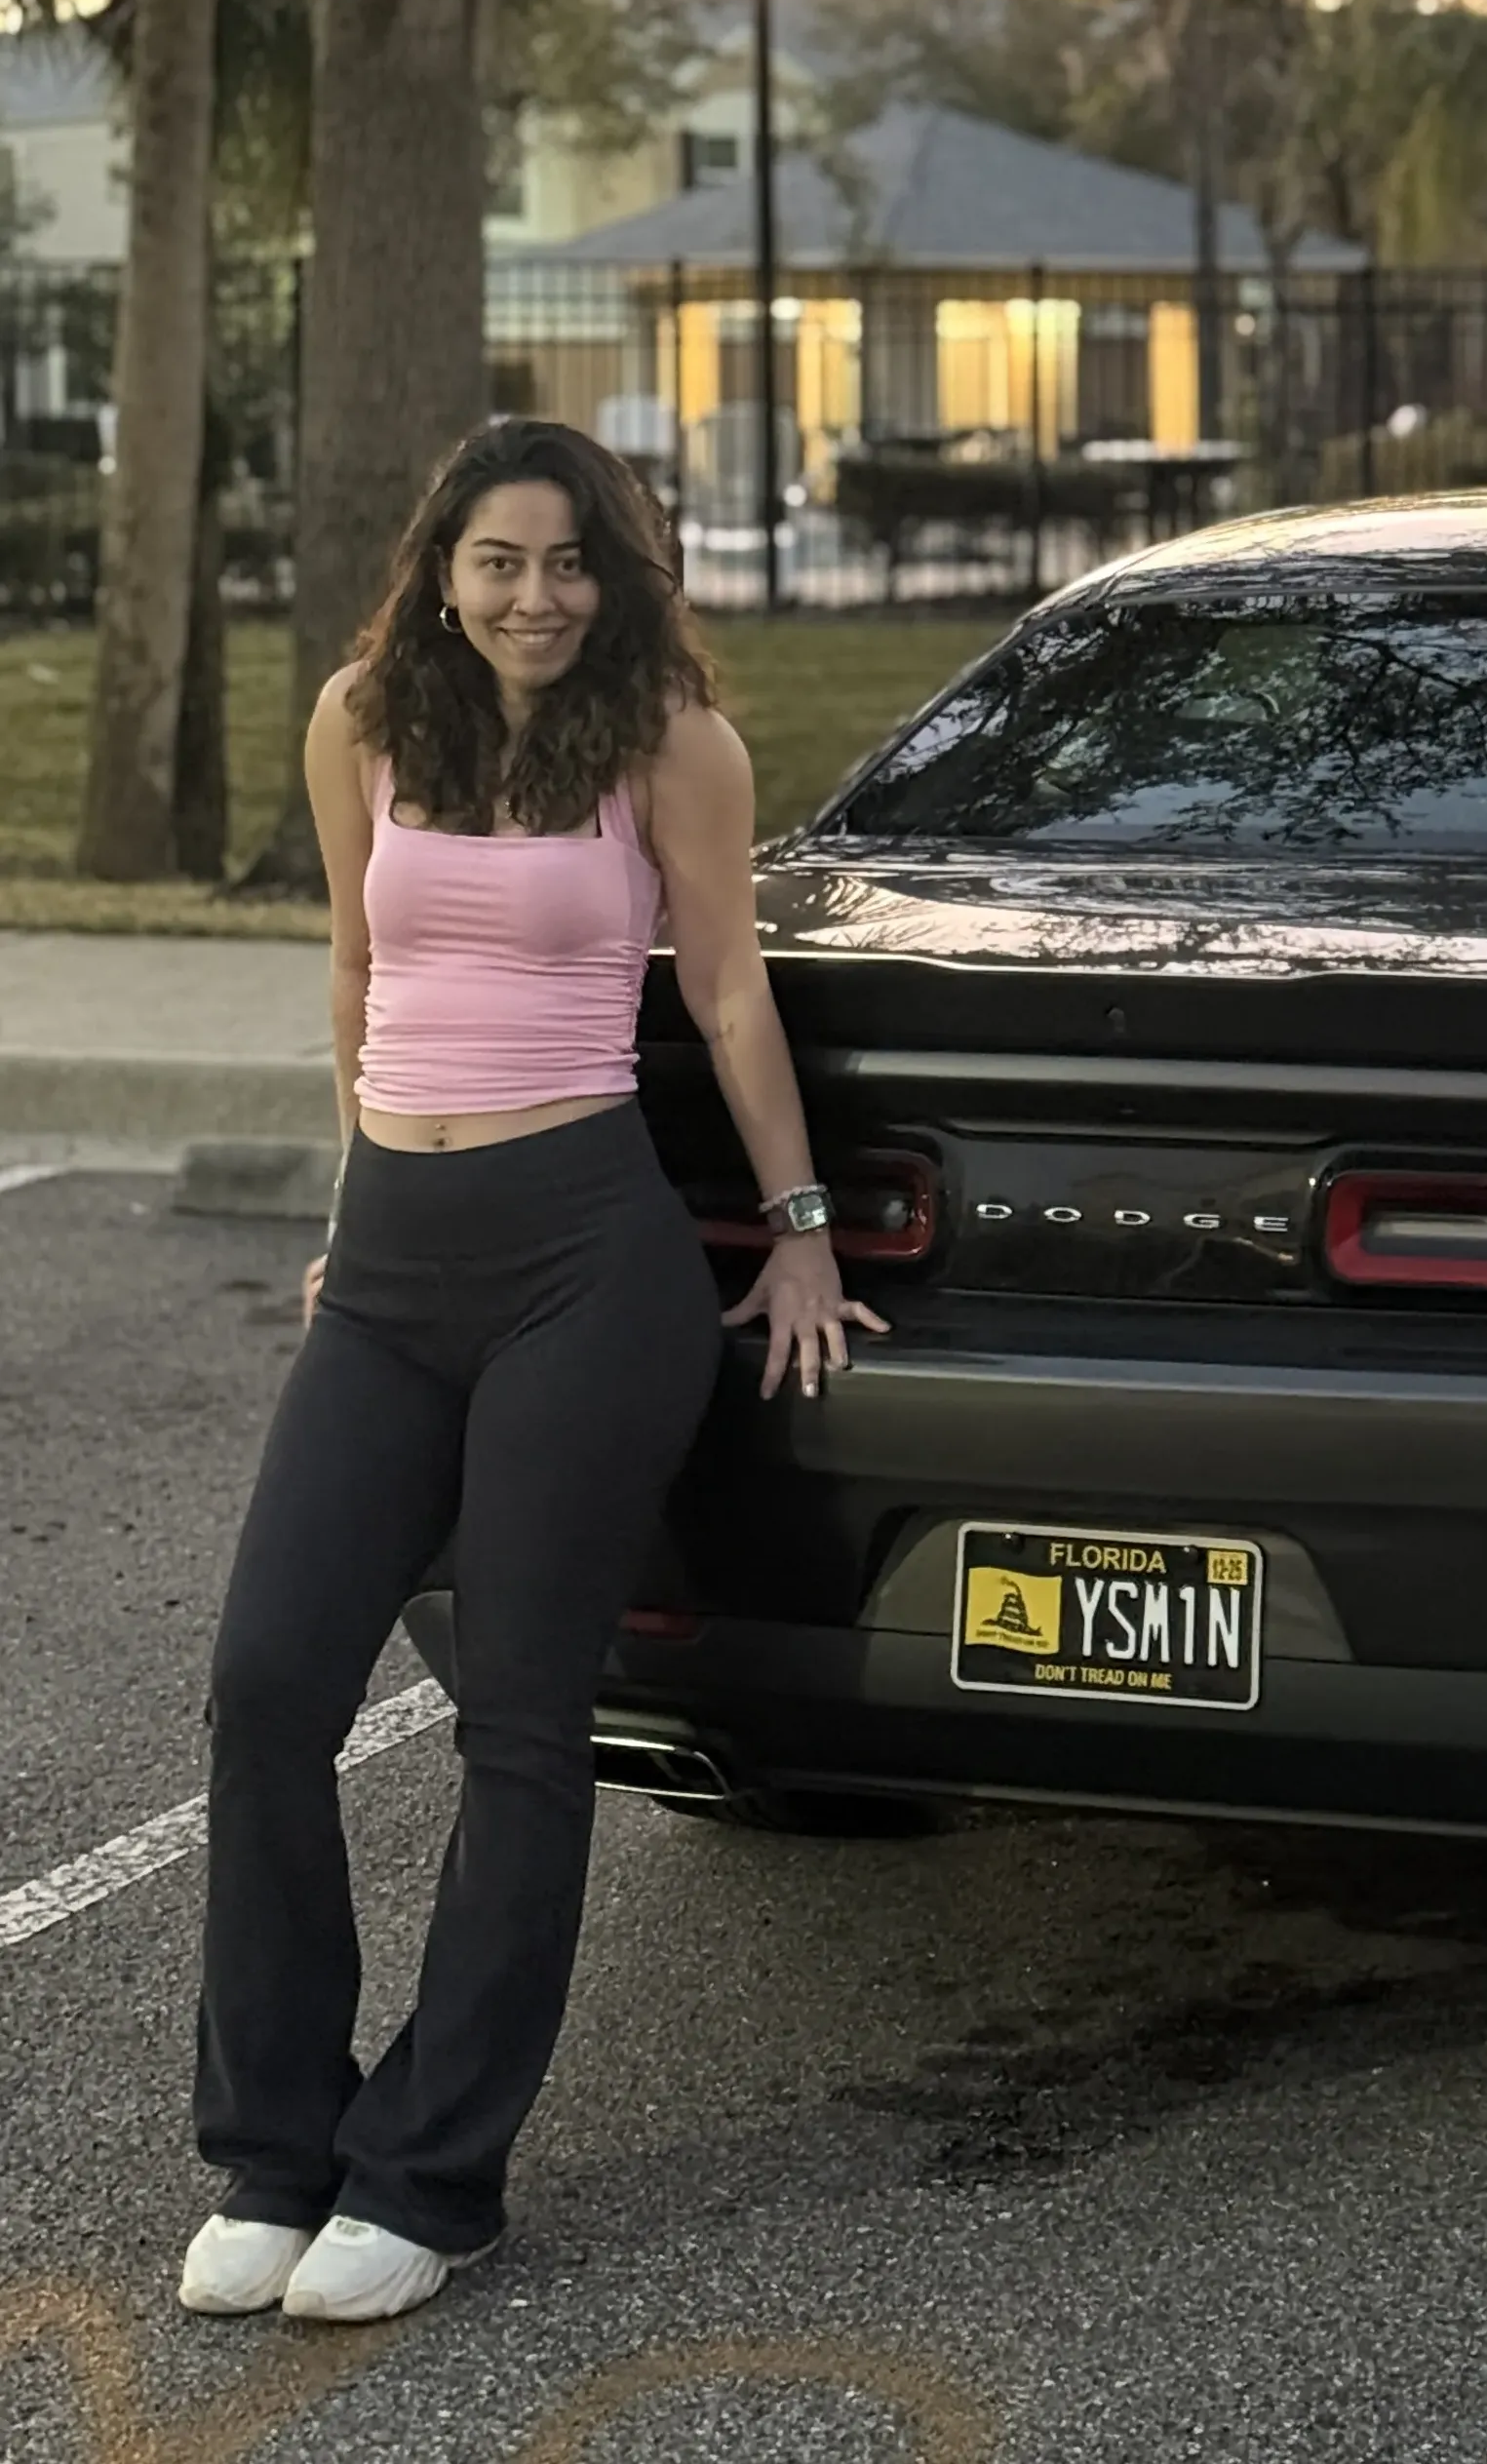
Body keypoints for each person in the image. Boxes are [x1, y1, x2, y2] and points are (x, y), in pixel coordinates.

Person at [176, 418, 884, 2326]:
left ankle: (431, 2172)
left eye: (572, 563)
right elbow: (353, 965)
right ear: (441, 567)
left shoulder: (671, 742)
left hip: (591, 1258)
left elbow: (728, 985)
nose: (537, 596)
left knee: (515, 1711)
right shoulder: (361, 721)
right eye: (500, 560)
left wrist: (799, 1224)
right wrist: (363, 1181)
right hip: (397, 1262)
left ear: (621, 574)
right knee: (266, 1679)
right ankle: (276, 2140)